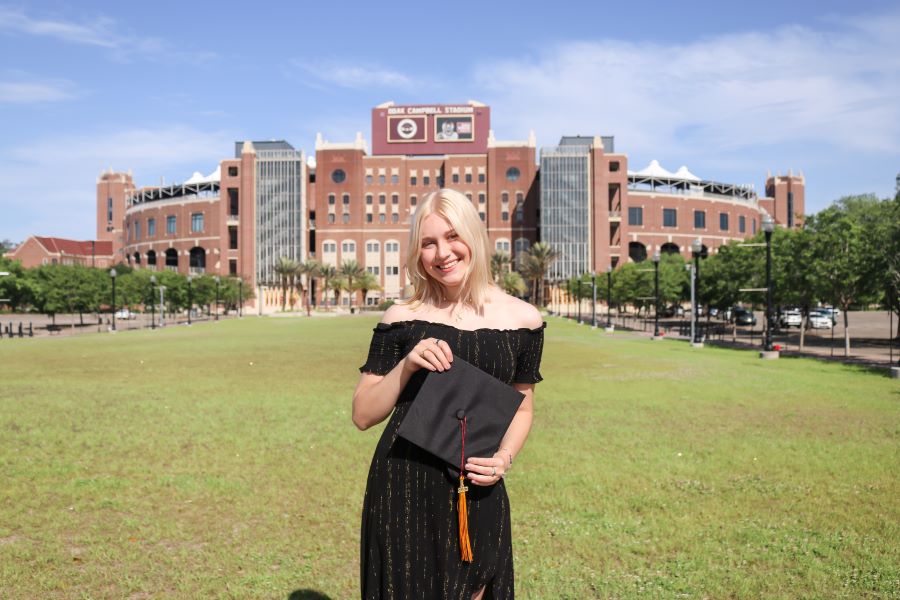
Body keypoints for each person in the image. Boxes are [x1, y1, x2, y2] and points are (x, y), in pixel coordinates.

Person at [354, 188, 545, 599]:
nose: (443, 253)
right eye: (428, 243)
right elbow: (363, 414)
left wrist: (503, 459)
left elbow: (523, 409)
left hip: (475, 487)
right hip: (403, 486)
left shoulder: (523, 320)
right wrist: (407, 365)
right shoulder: (402, 317)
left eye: (453, 236)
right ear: (416, 252)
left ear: (474, 237)